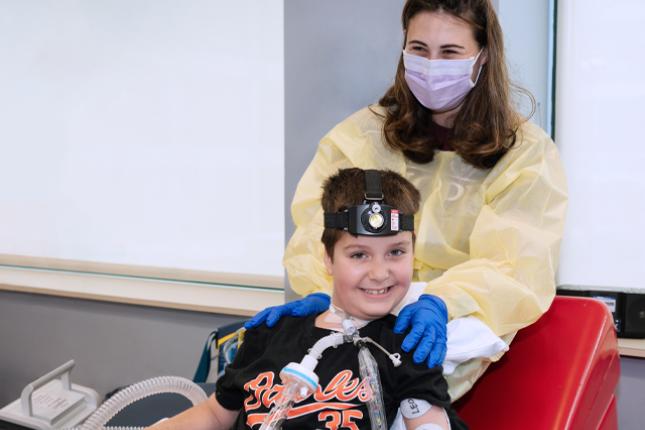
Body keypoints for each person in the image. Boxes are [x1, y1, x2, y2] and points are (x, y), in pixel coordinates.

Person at [247, 0, 568, 401]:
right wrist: (320, 293)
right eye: (419, 49)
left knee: (398, 393)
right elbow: (318, 229)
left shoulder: (524, 153)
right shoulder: (362, 137)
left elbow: (515, 264)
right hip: (357, 306)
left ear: (483, 57)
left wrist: (440, 302)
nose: (432, 65)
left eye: (449, 52)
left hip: (448, 323)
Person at [149, 168, 467, 429]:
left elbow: (427, 422)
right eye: (359, 255)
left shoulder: (404, 346)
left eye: (396, 252)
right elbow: (217, 414)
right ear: (327, 259)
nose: (379, 272)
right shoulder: (270, 334)